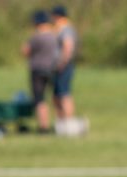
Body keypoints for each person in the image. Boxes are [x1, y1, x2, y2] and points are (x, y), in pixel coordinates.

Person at [23, 10, 60, 134]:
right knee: (56, 97)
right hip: (53, 69)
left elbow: (25, 51)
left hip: (37, 70)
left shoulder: (36, 37)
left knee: (39, 99)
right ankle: (60, 124)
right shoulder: (54, 36)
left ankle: (43, 127)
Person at [51, 5, 79, 134]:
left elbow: (68, 47)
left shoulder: (65, 29)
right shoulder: (60, 28)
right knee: (57, 94)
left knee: (64, 94)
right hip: (58, 66)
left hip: (63, 66)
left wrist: (62, 62)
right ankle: (61, 123)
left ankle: (68, 123)